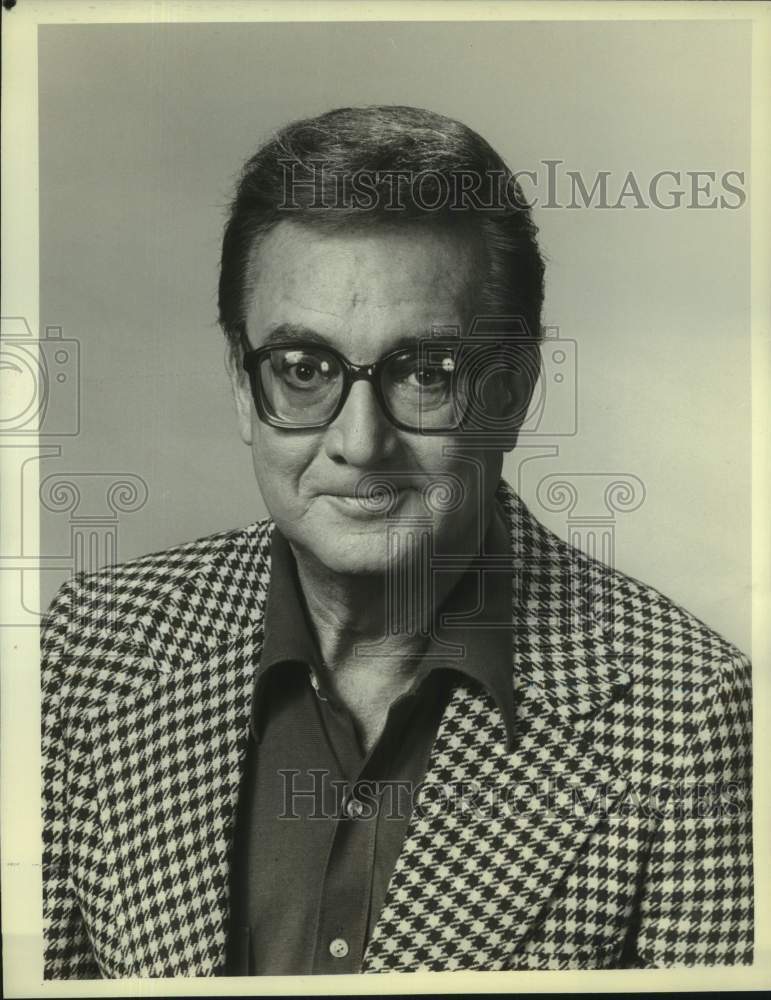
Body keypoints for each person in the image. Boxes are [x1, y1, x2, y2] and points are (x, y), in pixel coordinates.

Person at [41, 106, 753, 978]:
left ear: (513, 392)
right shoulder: (89, 649)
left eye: (425, 373)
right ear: (240, 384)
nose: (360, 443)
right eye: (303, 370)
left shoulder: (685, 718)